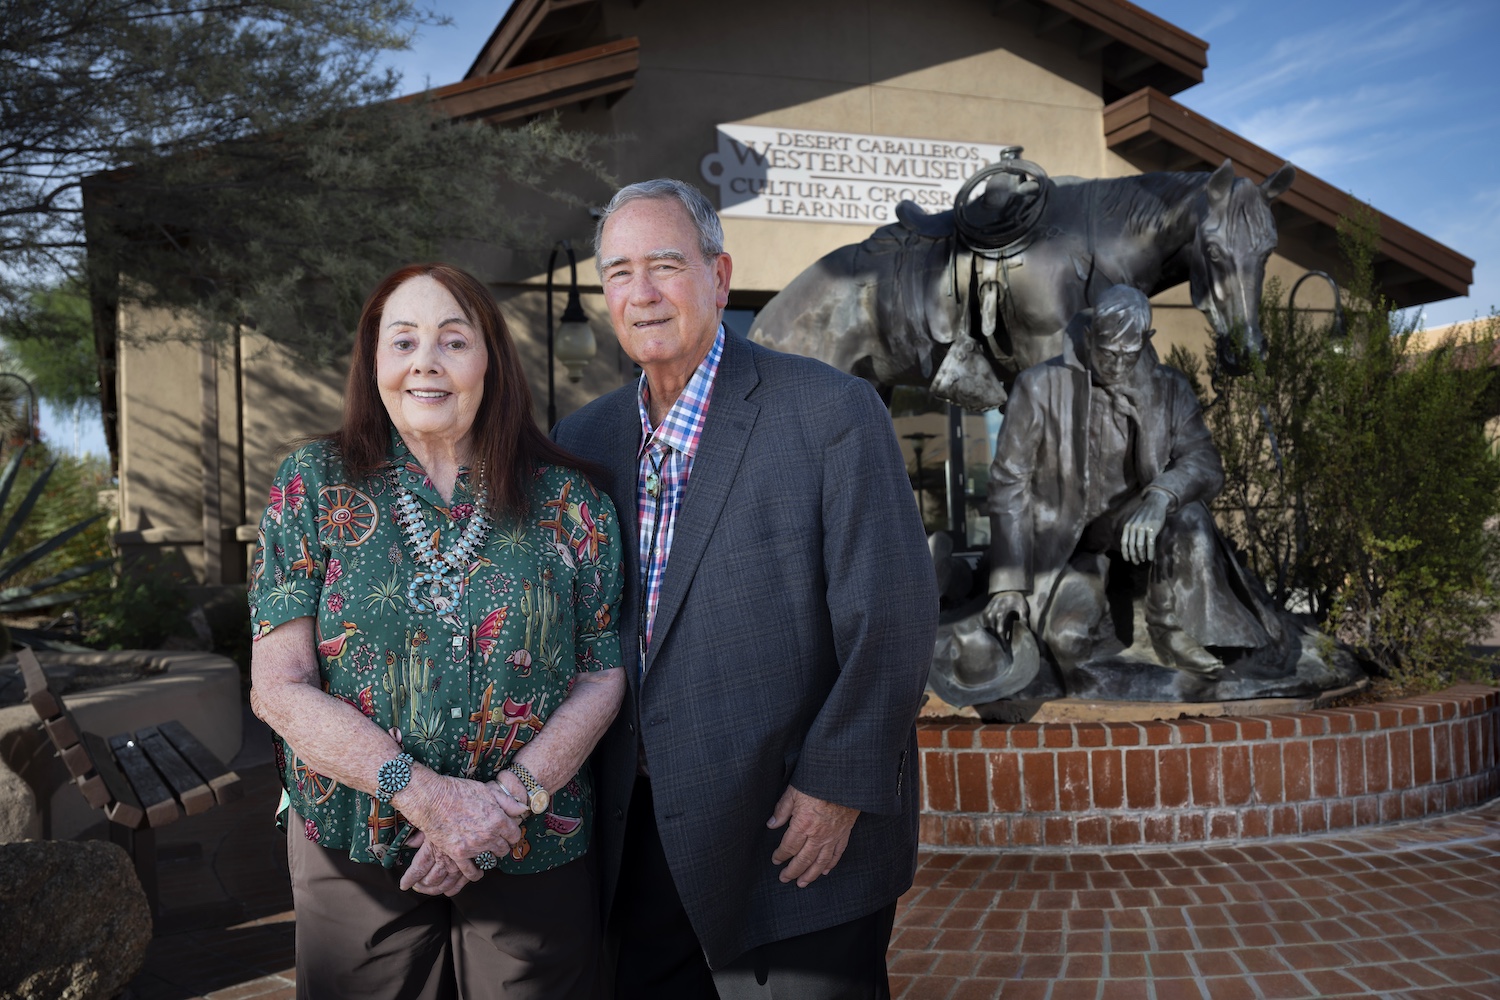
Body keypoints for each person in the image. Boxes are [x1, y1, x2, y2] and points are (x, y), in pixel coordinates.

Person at [553, 179, 938, 998]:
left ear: (719, 277)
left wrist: (836, 786)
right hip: (640, 845)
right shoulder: (583, 440)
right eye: (619, 273)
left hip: (792, 842)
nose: (642, 293)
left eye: (665, 265)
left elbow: (894, 621)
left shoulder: (830, 412)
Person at [249, 262, 624, 999]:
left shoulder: (570, 501)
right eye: (404, 341)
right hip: (355, 843)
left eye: (454, 340)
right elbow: (277, 686)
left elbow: (601, 672)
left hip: (530, 842)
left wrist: (499, 807)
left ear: (491, 360)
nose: (426, 360)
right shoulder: (314, 483)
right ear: (375, 361)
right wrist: (427, 799)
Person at [981, 283, 1283, 682]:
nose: (1117, 365)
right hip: (1071, 544)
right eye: (1107, 352)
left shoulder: (1169, 388)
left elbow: (1204, 461)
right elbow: (1009, 483)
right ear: (1089, 338)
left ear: (1147, 341)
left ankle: (1172, 628)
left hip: (1145, 534)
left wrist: (1160, 497)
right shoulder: (1039, 387)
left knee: (1189, 515)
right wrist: (1008, 584)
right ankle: (1105, 614)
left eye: (1129, 354)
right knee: (1065, 644)